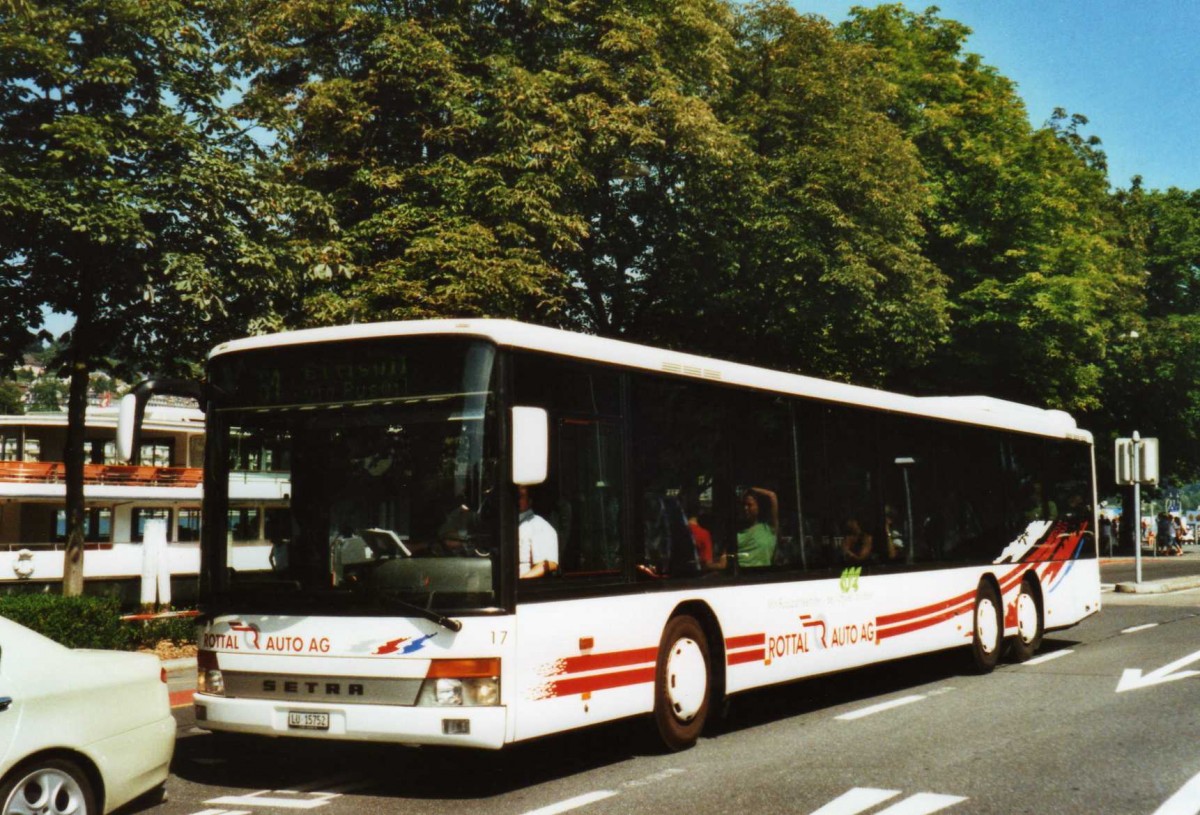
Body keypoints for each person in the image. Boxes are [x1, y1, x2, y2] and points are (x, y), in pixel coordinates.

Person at [518, 485, 559, 578]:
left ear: (529, 501)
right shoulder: (507, 524)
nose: (517, 500)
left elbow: (549, 564)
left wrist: (521, 580)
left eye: (521, 496)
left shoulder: (539, 526)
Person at [736, 487, 777, 567]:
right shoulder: (737, 532)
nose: (745, 508)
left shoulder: (768, 528)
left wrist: (750, 489)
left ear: (759, 507)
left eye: (749, 505)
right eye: (744, 505)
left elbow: (772, 496)